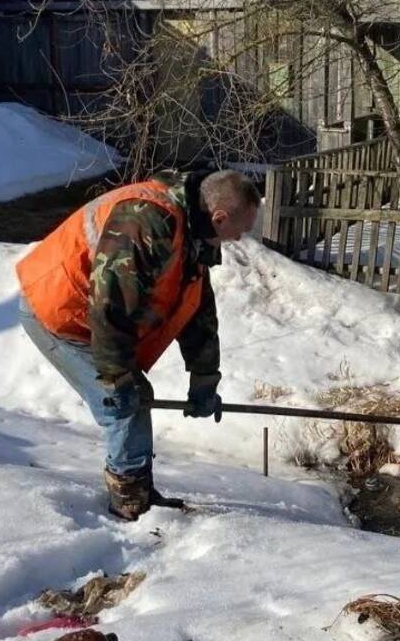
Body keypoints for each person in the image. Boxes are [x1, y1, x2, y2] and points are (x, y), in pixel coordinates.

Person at [16, 168, 260, 521]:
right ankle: (129, 505)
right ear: (219, 217)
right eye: (241, 230)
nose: (240, 238)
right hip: (58, 308)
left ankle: (138, 489)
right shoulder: (146, 221)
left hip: (94, 314)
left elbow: (197, 309)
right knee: (124, 404)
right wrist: (117, 377)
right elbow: (110, 303)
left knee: (132, 396)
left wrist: (205, 378)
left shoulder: (194, 229)